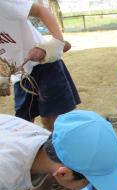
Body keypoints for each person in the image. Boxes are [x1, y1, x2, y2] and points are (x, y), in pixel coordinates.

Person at [0, 110, 117, 190]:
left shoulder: (53, 146)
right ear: (63, 173)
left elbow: (55, 174)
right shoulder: (8, 171)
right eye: (89, 180)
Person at [0, 1, 80, 131]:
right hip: (20, 75)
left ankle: (56, 148)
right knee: (23, 122)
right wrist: (3, 73)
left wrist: (57, 42)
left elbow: (40, 10)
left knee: (51, 120)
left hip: (45, 65)